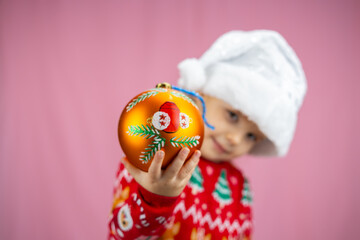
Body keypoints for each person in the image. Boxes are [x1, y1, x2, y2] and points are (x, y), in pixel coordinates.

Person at [108, 30, 307, 240]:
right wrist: (154, 199)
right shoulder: (152, 157)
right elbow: (121, 234)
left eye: (251, 136)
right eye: (232, 115)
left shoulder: (239, 187)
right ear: (199, 96)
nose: (235, 139)